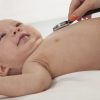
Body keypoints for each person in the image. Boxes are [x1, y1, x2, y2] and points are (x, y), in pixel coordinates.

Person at [0, 18, 100, 97]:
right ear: (2, 68)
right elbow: (38, 81)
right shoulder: (32, 63)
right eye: (2, 36)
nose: (16, 29)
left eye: (18, 24)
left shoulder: (49, 39)